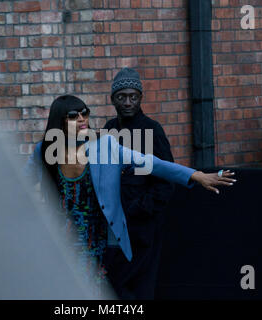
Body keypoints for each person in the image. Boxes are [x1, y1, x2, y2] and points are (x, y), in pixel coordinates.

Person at [24, 94, 236, 297]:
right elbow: (20, 181)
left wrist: (196, 175)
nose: (81, 119)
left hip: (98, 241)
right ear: (59, 121)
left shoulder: (105, 146)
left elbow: (152, 163)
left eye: (84, 113)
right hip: (60, 239)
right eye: (73, 115)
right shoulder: (44, 150)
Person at [102, 67, 177, 299]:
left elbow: (167, 180)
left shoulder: (152, 130)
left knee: (141, 286)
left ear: (140, 98)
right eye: (121, 96)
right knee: (115, 284)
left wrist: (141, 208)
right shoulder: (109, 129)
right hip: (115, 225)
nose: (127, 102)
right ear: (113, 99)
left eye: (132, 96)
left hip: (143, 226)